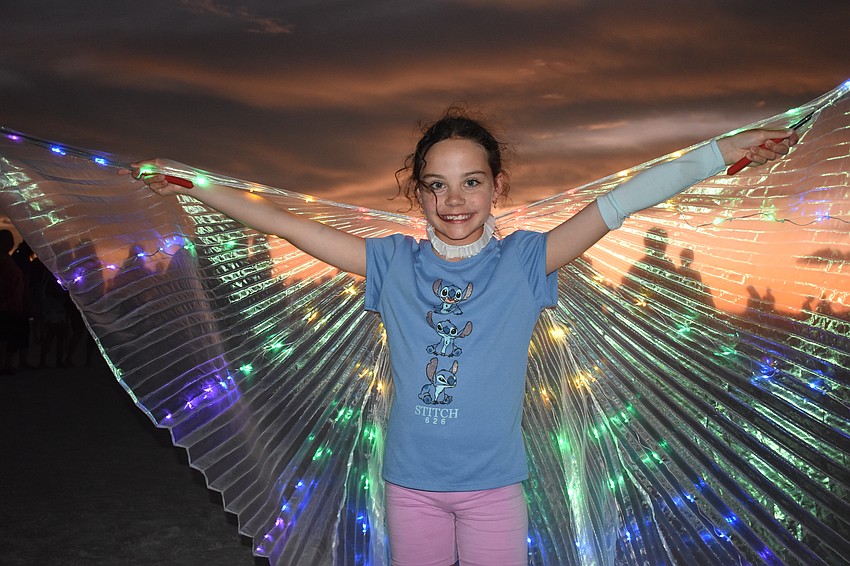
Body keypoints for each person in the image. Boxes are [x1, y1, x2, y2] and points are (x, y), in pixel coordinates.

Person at [128, 111, 797, 566]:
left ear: (497, 187)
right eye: (436, 185)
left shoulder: (527, 262)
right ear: (415, 193)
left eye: (471, 182)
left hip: (494, 491)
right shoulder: (390, 264)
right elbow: (290, 228)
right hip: (409, 487)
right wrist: (196, 185)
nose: (454, 200)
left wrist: (720, 153)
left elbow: (619, 204)